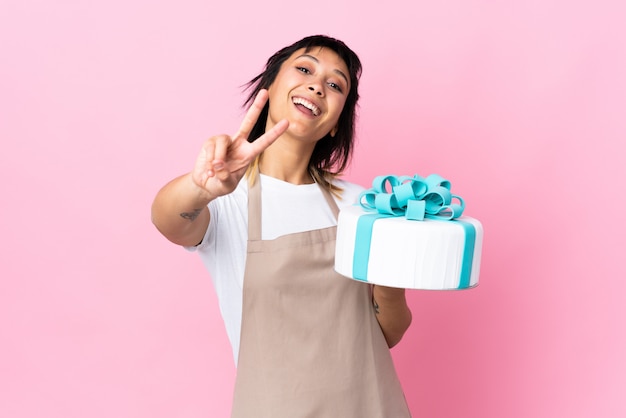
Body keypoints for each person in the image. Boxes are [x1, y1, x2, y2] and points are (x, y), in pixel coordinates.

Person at [151, 34, 412, 417]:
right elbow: (170, 221)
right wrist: (199, 186)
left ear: (338, 122)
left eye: (335, 84)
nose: (316, 86)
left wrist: (391, 266)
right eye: (305, 69)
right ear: (270, 86)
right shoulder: (228, 197)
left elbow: (389, 331)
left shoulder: (360, 205)